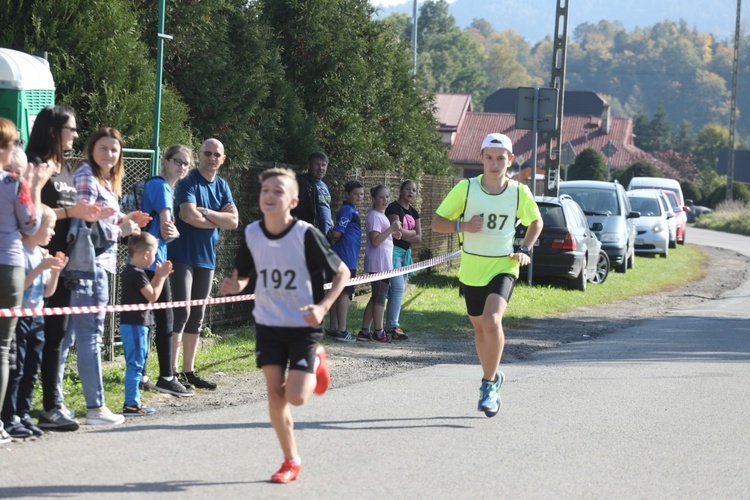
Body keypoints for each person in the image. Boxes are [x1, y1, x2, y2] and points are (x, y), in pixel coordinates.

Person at [220, 167, 349, 484]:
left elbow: (342, 273)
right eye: (266, 190)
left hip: (304, 324)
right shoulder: (251, 233)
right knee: (275, 396)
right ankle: (291, 460)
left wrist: (323, 307)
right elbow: (245, 274)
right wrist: (236, 286)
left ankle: (317, 359)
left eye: (278, 191)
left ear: (293, 201)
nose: (270, 195)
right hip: (268, 324)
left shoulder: (305, 234)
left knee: (296, 397)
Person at [431, 133, 542, 417]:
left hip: (504, 266)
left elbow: (536, 222)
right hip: (472, 268)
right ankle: (493, 376)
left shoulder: (519, 192)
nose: (495, 164)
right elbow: (437, 223)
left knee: (493, 321)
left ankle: (489, 384)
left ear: (510, 160)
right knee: (480, 329)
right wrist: (463, 226)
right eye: (490, 158)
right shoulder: (466, 189)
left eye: (501, 159)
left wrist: (524, 247)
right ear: (481, 158)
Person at [26, 105, 109, 431]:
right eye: (70, 129)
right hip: (37, 263)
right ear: (53, 131)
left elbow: (67, 210)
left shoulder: (64, 167)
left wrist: (87, 214)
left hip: (63, 266)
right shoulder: (35, 164)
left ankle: (50, 405)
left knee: (57, 337)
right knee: (30, 340)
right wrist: (71, 212)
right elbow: (32, 212)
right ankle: (21, 409)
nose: (75, 134)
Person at [67, 127, 150, 426]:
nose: (109, 154)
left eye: (114, 150)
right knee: (89, 336)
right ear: (92, 149)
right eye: (104, 148)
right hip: (90, 265)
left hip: (97, 264)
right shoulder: (87, 175)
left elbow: (102, 218)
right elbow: (86, 222)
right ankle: (95, 407)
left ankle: (55, 402)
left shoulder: (103, 179)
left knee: (68, 335)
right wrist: (123, 229)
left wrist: (127, 220)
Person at [169, 138, 238, 390]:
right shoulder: (188, 181)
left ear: (223, 158)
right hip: (182, 255)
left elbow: (234, 222)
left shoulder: (223, 185)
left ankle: (189, 371)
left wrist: (206, 213)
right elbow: (187, 215)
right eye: (207, 153)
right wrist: (218, 217)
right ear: (199, 156)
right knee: (182, 312)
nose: (211, 158)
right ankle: (171, 372)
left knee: (197, 316)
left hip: (206, 258)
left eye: (216, 154)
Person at [0, 118, 50, 444]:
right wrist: (33, 186)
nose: (17, 147)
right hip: (8, 265)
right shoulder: (13, 182)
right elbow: (32, 225)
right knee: (2, 348)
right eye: (15, 143)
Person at [2, 205, 67, 438]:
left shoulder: (42, 253)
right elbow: (18, 288)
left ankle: (24, 413)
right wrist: (41, 267)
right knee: (16, 369)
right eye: (49, 227)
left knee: (31, 370)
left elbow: (48, 293)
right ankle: (9, 417)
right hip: (19, 318)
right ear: (34, 226)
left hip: (38, 317)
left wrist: (56, 271)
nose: (52, 233)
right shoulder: (19, 252)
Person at [139, 144, 193, 397]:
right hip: (152, 264)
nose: (181, 167)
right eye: (177, 162)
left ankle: (141, 374)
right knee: (164, 319)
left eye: (185, 164)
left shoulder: (163, 187)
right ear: (166, 161)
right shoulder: (161, 186)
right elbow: (166, 229)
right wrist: (176, 231)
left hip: (151, 261)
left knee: (146, 321)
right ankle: (166, 377)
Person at [119, 233, 173, 416]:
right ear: (145, 254)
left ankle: (133, 402)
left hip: (135, 324)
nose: (154, 258)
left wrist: (158, 276)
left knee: (136, 363)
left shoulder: (131, 271)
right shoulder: (137, 274)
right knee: (135, 364)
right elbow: (152, 296)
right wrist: (161, 277)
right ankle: (131, 404)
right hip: (136, 325)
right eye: (154, 254)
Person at [357, 185, 401, 343]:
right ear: (374, 199)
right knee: (380, 298)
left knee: (376, 297)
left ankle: (364, 331)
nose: (385, 200)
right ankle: (379, 331)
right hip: (379, 264)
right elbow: (375, 241)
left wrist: (393, 233)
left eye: (387, 197)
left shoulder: (381, 216)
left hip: (383, 264)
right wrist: (391, 229)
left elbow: (382, 237)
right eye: (381, 197)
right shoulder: (374, 216)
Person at [327, 180, 365, 342]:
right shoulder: (347, 211)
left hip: (344, 257)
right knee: (344, 294)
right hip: (345, 258)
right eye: (355, 194)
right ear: (347, 195)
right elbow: (336, 234)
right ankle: (342, 330)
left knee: (336, 292)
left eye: (361, 194)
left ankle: (334, 328)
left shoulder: (351, 210)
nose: (359, 197)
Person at [384, 180, 422, 340]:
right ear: (400, 191)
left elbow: (419, 237)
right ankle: (392, 326)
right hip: (393, 252)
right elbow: (396, 232)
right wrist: (411, 232)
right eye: (407, 189)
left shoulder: (414, 212)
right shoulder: (393, 208)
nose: (411, 192)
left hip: (406, 254)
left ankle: (391, 325)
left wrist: (409, 233)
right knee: (397, 288)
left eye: (413, 190)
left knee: (398, 290)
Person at [291, 151, 332, 237]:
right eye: (317, 164)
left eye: (323, 165)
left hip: (324, 236)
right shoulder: (302, 183)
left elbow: (326, 207)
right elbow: (297, 209)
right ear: (309, 166)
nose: (320, 168)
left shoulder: (324, 185)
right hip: (309, 234)